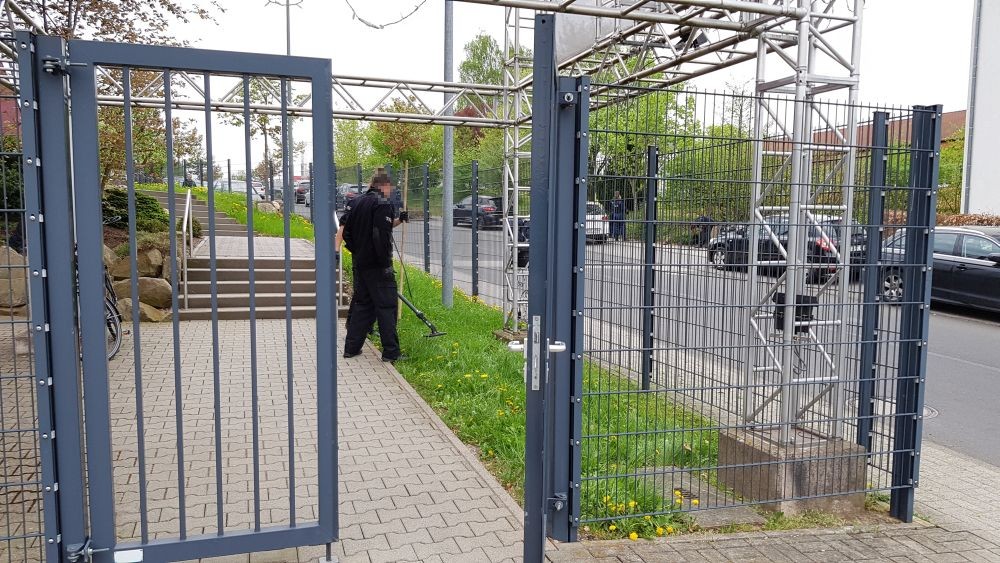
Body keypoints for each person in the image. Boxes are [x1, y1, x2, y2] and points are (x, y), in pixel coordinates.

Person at [337, 172, 408, 362]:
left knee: (362, 306)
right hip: (378, 266)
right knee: (386, 307)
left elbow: (347, 232)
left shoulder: (357, 202)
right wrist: (384, 262)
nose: (391, 192)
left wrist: (358, 251)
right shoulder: (382, 203)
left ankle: (351, 348)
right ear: (384, 186)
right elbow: (380, 234)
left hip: (361, 264)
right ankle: (391, 352)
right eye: (390, 188)